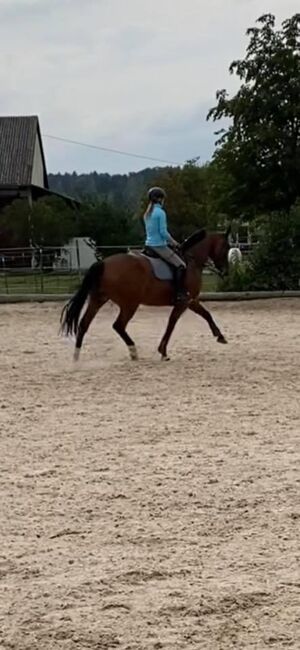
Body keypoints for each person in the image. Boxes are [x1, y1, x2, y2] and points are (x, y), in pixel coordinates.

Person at [143, 187, 188, 303]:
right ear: (159, 199)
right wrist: (174, 242)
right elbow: (163, 232)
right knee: (181, 265)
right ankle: (179, 294)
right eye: (163, 199)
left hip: (148, 245)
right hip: (159, 246)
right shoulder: (160, 213)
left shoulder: (147, 213)